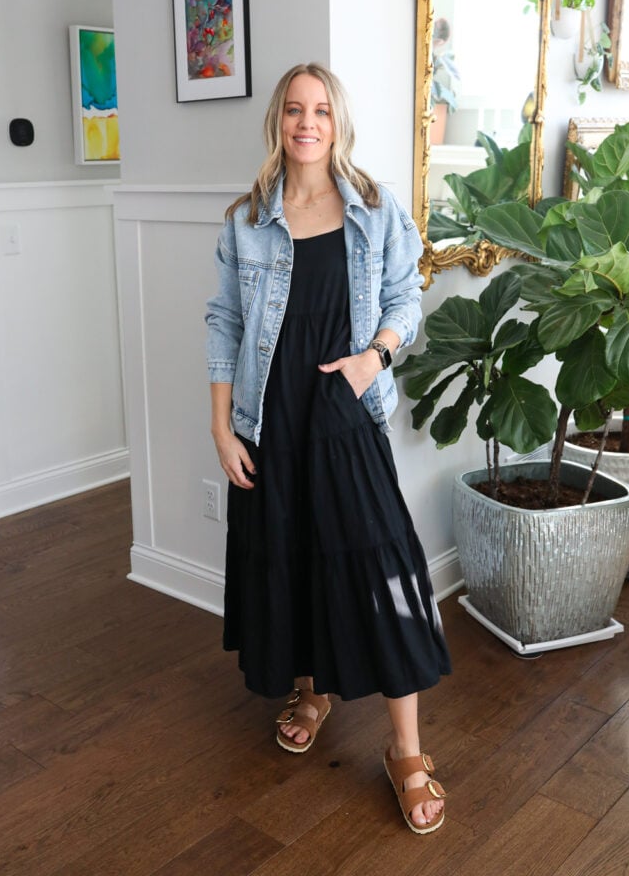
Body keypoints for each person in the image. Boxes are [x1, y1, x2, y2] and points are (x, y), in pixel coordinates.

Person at [205, 62, 451, 834]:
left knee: (381, 570)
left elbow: (407, 298)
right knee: (293, 555)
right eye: (292, 111)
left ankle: (405, 752)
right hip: (269, 421)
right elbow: (224, 323)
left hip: (343, 415)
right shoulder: (247, 217)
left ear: (337, 122)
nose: (305, 123)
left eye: (319, 111)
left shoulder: (375, 209)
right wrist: (221, 425)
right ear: (277, 123)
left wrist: (371, 357)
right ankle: (309, 690)